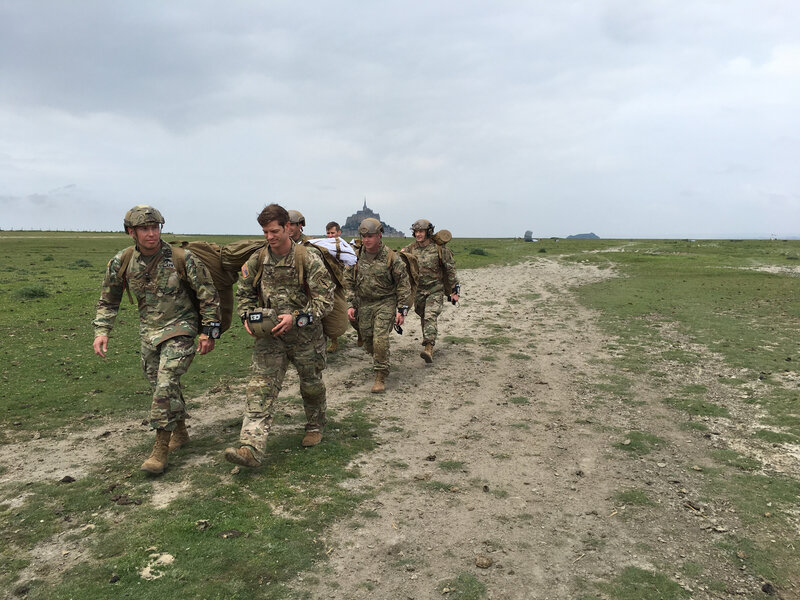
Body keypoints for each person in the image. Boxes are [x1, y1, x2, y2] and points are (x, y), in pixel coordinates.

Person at [93, 205, 221, 475]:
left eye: (155, 228)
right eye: (144, 229)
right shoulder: (122, 261)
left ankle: (159, 449)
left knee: (165, 384)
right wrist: (102, 331)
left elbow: (208, 296)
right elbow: (108, 300)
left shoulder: (183, 258)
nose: (151, 233)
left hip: (182, 329)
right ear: (131, 232)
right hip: (149, 334)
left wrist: (209, 331)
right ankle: (182, 431)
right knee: (160, 385)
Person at [224, 203, 334, 468]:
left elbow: (325, 300)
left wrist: (295, 318)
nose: (270, 237)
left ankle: (315, 425)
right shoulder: (257, 260)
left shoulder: (307, 258)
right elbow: (244, 293)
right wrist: (246, 316)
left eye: (275, 231)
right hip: (270, 338)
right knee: (259, 389)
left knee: (311, 385)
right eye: (265, 232)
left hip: (306, 338)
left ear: (288, 228)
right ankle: (250, 447)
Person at [346, 218, 411, 393]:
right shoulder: (356, 256)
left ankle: (380, 374)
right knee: (368, 341)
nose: (367, 239)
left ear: (379, 235)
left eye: (371, 236)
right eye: (364, 236)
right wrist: (350, 304)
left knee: (380, 339)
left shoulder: (391, 257)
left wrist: (401, 310)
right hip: (364, 303)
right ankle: (380, 358)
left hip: (386, 302)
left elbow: (403, 284)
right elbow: (348, 281)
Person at [402, 219, 460, 363]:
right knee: (423, 314)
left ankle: (428, 347)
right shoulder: (411, 249)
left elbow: (450, 270)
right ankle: (428, 338)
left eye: (421, 231)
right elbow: (399, 261)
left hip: (436, 289)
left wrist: (454, 291)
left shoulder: (440, 250)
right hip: (419, 291)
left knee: (430, 315)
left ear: (428, 232)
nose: (418, 234)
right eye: (416, 231)